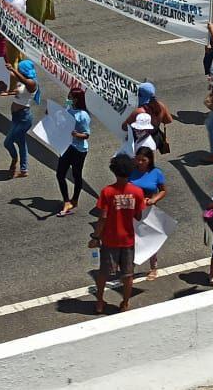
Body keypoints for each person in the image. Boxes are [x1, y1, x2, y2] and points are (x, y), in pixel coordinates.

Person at [90, 154, 145, 314]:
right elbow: (138, 216)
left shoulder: (107, 192)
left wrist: (95, 237)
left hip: (109, 239)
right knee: (128, 274)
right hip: (127, 240)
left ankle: (100, 302)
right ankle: (125, 303)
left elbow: (103, 217)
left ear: (114, 171)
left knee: (103, 273)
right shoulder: (137, 192)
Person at [129, 146, 167, 281]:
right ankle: (130, 268)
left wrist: (154, 199)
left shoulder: (156, 172)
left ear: (149, 160)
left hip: (149, 210)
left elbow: (162, 190)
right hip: (132, 209)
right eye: (138, 159)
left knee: (151, 238)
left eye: (143, 160)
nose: (140, 162)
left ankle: (153, 267)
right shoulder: (131, 171)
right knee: (132, 240)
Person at [55, 87, 91, 217]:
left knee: (76, 175)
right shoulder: (68, 108)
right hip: (66, 146)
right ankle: (66, 201)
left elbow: (86, 135)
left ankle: (74, 199)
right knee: (60, 174)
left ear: (76, 99)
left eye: (70, 96)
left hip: (78, 149)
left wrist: (77, 135)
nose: (68, 98)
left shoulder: (83, 115)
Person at [3, 60, 39, 177]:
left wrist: (13, 70)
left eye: (20, 69)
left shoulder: (32, 83)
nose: (18, 70)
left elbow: (25, 82)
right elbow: (18, 86)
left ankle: (14, 159)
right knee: (21, 142)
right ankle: (24, 169)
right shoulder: (22, 79)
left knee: (8, 142)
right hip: (16, 117)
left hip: (24, 118)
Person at [121, 82, 173, 153]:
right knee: (149, 158)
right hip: (156, 138)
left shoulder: (139, 112)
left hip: (140, 141)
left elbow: (124, 127)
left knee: (140, 160)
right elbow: (168, 120)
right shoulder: (161, 106)